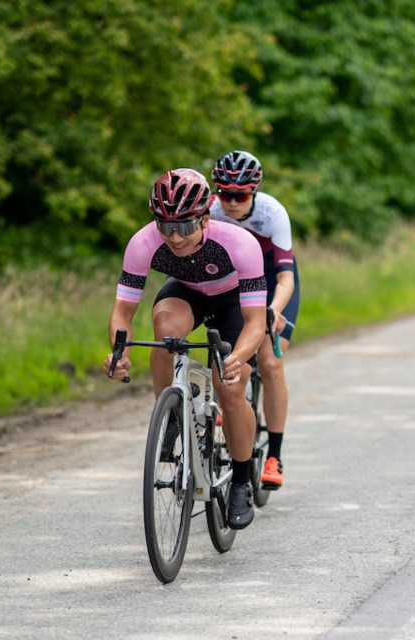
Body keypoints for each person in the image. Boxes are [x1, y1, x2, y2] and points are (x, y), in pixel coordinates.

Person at [103, 168, 266, 530]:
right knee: (164, 329)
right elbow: (123, 312)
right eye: (165, 226)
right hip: (187, 292)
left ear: (206, 218)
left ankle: (241, 479)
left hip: (231, 302)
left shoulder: (239, 244)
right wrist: (119, 352)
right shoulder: (143, 243)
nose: (175, 237)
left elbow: (255, 321)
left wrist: (236, 358)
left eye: (186, 226)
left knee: (230, 385)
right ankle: (174, 413)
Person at [209, 150, 299, 490]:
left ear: (254, 192)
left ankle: (274, 455)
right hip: (236, 282)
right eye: (224, 193)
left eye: (240, 195)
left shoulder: (273, 213)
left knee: (271, 361)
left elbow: (286, 277)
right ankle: (233, 408)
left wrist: (273, 309)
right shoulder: (212, 211)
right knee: (232, 359)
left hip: (274, 281)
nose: (230, 202)